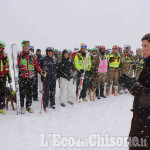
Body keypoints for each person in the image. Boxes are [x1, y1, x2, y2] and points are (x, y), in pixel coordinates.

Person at [119, 33, 150, 150]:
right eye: (142, 46)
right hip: (141, 120)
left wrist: (134, 86)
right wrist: (131, 85)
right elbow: (143, 93)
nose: (143, 49)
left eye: (146, 46)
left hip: (147, 126)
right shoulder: (147, 64)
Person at [17, 40, 46, 113]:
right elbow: (16, 65)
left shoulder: (32, 55)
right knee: (22, 92)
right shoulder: (19, 55)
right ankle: (22, 106)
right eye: (25, 46)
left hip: (31, 76)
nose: (26, 47)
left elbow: (36, 65)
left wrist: (41, 71)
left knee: (30, 92)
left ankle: (28, 106)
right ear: (23, 47)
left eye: (27, 46)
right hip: (22, 76)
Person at [0, 41, 12, 114]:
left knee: (2, 92)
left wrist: (9, 77)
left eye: (1, 47)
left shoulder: (5, 56)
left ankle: (1, 107)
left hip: (3, 77)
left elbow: (7, 68)